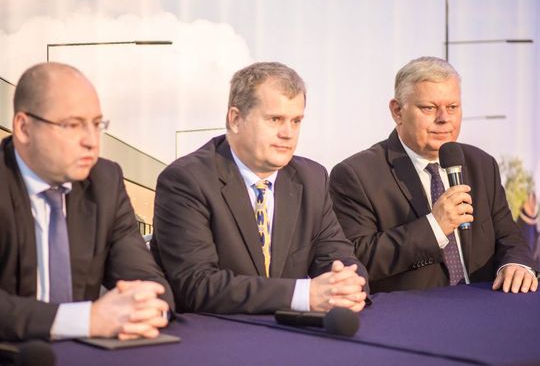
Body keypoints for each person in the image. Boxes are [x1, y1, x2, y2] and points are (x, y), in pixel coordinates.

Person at [151, 61, 369, 314]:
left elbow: (338, 256)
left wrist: (348, 284)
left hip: (291, 331)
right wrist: (303, 295)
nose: (288, 133)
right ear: (236, 119)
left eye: (296, 121)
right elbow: (197, 284)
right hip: (214, 330)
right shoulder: (186, 180)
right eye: (275, 119)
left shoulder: (312, 179)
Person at [329, 56, 537, 294]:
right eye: (429, 108)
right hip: (412, 311)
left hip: (483, 304)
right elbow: (357, 260)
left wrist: (516, 264)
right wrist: (434, 227)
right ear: (397, 111)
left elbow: (510, 237)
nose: (444, 118)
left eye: (452, 107)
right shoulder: (356, 175)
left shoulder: (481, 164)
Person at [0, 62, 173, 342]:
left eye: (96, 124)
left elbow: (148, 281)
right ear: (23, 128)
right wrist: (85, 320)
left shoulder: (105, 182)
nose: (92, 141)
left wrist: (146, 308)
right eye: (73, 125)